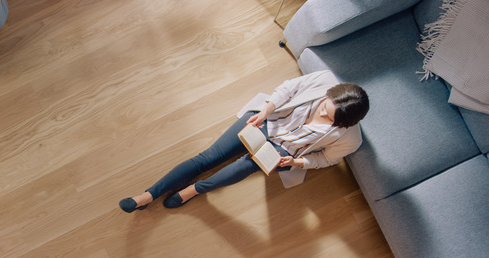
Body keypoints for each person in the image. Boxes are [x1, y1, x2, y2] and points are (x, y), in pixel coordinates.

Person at [119, 70, 370, 212]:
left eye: (330, 118)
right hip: (267, 120)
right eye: (325, 106)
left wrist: (298, 162)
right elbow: (288, 89)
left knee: (244, 167)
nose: (324, 113)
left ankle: (194, 190)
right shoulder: (325, 81)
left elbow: (326, 159)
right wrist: (265, 110)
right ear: (330, 94)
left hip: (283, 149)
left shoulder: (350, 138)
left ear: (345, 123)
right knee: (208, 157)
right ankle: (148, 196)